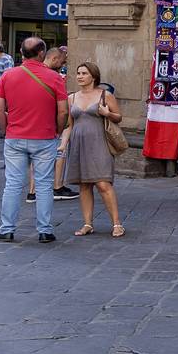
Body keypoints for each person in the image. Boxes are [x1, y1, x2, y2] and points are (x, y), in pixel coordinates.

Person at [0, 37, 68, 243]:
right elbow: (63, 111)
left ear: (21, 52)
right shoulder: (54, 78)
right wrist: (57, 131)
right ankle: (45, 230)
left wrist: (6, 129)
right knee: (43, 185)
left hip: (15, 136)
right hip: (44, 137)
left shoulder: (8, 75)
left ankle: (7, 228)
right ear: (42, 53)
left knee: (13, 184)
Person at [62, 63, 125, 237]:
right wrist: (63, 143)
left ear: (93, 76)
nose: (80, 76)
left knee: (103, 183)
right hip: (78, 143)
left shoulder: (106, 95)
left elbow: (119, 117)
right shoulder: (72, 98)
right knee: (84, 185)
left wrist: (108, 114)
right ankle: (87, 223)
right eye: (78, 73)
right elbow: (70, 124)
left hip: (99, 143)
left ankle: (117, 223)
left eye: (84, 73)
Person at [28, 46, 79, 202]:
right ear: (54, 59)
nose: (63, 65)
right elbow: (62, 108)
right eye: (62, 62)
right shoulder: (53, 76)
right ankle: (56, 187)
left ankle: (33, 191)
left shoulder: (31, 72)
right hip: (50, 118)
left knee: (36, 156)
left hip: (33, 119)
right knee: (60, 145)